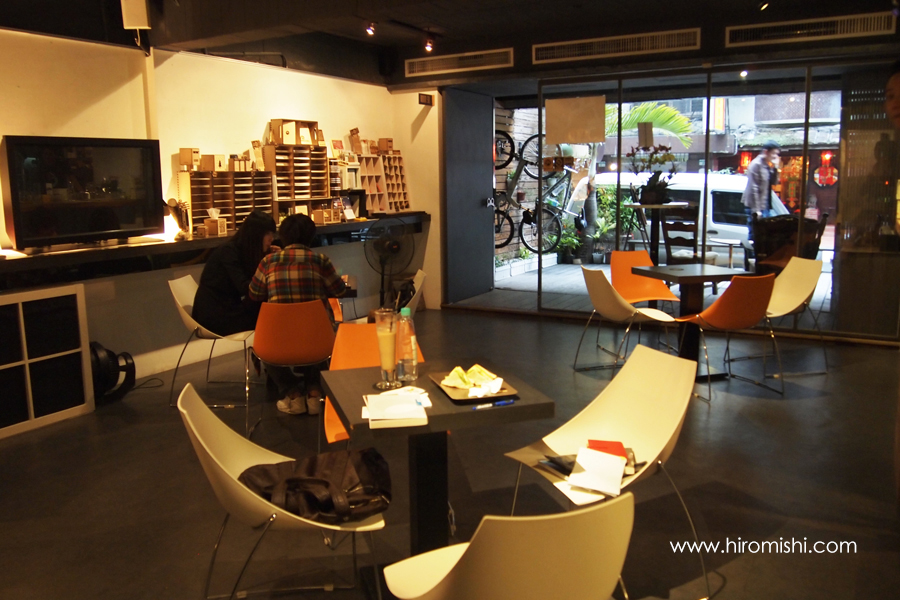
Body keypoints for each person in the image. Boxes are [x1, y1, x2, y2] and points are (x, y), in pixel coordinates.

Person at [248, 213, 347, 415]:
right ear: (311, 236)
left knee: (264, 345)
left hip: (277, 342)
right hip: (317, 340)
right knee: (319, 329)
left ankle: (292, 393)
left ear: (282, 237)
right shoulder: (320, 260)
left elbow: (254, 294)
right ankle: (314, 391)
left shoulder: (268, 262)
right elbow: (340, 291)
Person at [192, 209, 278, 336]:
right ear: (255, 235)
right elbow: (244, 287)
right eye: (267, 234)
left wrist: (271, 258)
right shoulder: (229, 252)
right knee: (268, 315)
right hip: (214, 313)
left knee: (267, 310)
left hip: (228, 307)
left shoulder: (245, 251)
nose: (272, 239)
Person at [741, 140, 781, 224]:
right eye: (773, 153)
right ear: (766, 152)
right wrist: (756, 210)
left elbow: (774, 182)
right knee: (756, 230)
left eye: (777, 154)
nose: (775, 156)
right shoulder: (756, 164)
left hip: (764, 204)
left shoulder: (766, 165)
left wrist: (775, 167)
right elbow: (753, 188)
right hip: (756, 206)